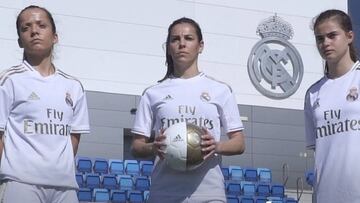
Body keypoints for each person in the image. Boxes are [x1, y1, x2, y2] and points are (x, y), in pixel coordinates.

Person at [131, 17, 245, 203]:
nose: (182, 44)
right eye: (175, 39)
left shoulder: (221, 91)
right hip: (164, 194)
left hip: (209, 194)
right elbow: (137, 146)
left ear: (200, 46)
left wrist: (217, 146)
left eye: (188, 38)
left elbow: (239, 143)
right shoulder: (152, 93)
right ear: (168, 47)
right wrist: (154, 147)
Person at [0, 5, 90, 203]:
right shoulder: (8, 80)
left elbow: (74, 136)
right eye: (26, 28)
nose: (34, 31)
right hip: (21, 184)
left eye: (41, 25)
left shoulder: (73, 86)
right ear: (19, 41)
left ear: (55, 36)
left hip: (65, 187)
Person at [304, 9, 360, 203]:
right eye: (320, 38)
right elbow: (318, 151)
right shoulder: (313, 93)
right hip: (326, 195)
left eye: (332, 35)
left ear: (349, 36)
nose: (325, 43)